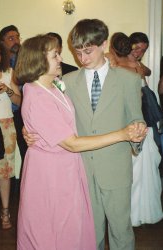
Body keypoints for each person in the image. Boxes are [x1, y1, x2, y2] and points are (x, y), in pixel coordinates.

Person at [15, 34, 146, 250]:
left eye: (87, 50)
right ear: (39, 59)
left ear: (103, 45)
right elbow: (67, 139)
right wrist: (123, 134)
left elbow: (57, 118)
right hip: (55, 172)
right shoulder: (52, 87)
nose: (62, 58)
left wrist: (30, 127)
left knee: (80, 229)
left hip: (82, 169)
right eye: (55, 54)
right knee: (54, 229)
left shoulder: (57, 85)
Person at [61, 19, 147, 250]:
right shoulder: (67, 83)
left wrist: (138, 133)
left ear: (104, 44)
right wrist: (31, 131)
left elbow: (135, 117)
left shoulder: (129, 79)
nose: (82, 58)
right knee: (91, 233)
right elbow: (58, 120)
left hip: (116, 169)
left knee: (121, 231)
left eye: (88, 51)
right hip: (82, 171)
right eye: (78, 52)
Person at [108, 32, 163, 226]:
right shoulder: (115, 62)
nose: (140, 52)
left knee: (146, 166)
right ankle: (128, 213)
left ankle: (140, 211)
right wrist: (129, 64)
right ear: (127, 46)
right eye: (137, 48)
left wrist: (135, 64)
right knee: (133, 169)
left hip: (144, 118)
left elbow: (146, 72)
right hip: (129, 119)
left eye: (143, 50)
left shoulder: (137, 66)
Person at [0, 41, 21, 229]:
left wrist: (8, 89)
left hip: (6, 126)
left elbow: (20, 101)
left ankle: (5, 212)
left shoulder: (9, 73)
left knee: (5, 172)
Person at [0, 25, 27, 164]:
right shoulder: (2, 66)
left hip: (24, 112)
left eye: (17, 37)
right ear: (2, 43)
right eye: (11, 38)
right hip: (6, 115)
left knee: (27, 151)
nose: (16, 41)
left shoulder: (26, 61)